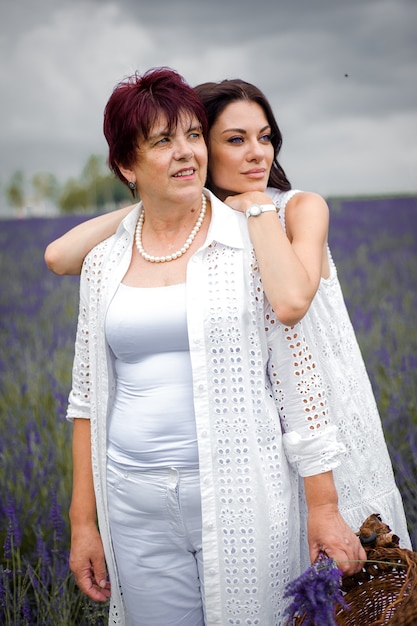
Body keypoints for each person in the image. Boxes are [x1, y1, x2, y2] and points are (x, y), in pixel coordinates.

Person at [45, 75, 411, 557]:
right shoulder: (204, 227)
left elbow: (290, 303)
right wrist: (155, 200)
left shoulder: (298, 207)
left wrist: (256, 207)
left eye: (265, 138)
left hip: (327, 431)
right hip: (261, 448)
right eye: (234, 140)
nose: (257, 153)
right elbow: (61, 256)